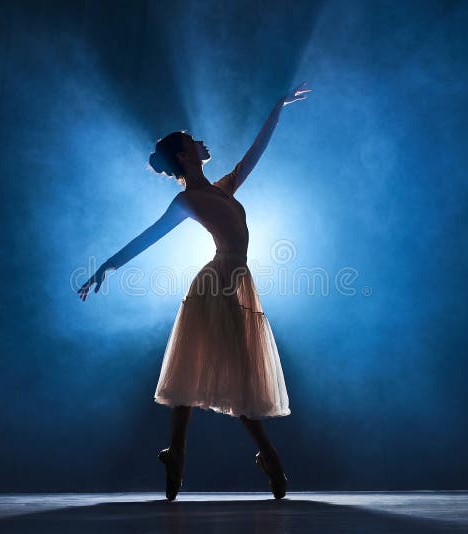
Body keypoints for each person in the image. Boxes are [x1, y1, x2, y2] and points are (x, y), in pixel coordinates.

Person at [78, 82, 311, 501]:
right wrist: (106, 268)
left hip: (232, 280)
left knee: (225, 371)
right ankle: (259, 458)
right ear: (184, 155)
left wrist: (276, 109)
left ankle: (182, 453)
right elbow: (148, 236)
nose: (201, 142)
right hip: (216, 283)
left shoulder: (219, 189)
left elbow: (252, 156)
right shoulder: (187, 201)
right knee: (217, 369)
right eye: (192, 140)